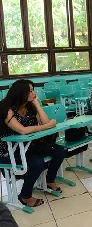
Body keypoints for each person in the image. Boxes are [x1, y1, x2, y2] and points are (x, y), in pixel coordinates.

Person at [0, 79, 65, 207]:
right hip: (9, 150)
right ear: (21, 93)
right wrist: (46, 126)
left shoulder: (29, 106)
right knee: (37, 163)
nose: (33, 93)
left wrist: (37, 104)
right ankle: (25, 196)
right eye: (30, 91)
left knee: (60, 151)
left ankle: (50, 180)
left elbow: (46, 123)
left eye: (33, 90)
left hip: (28, 145)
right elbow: (22, 130)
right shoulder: (6, 109)